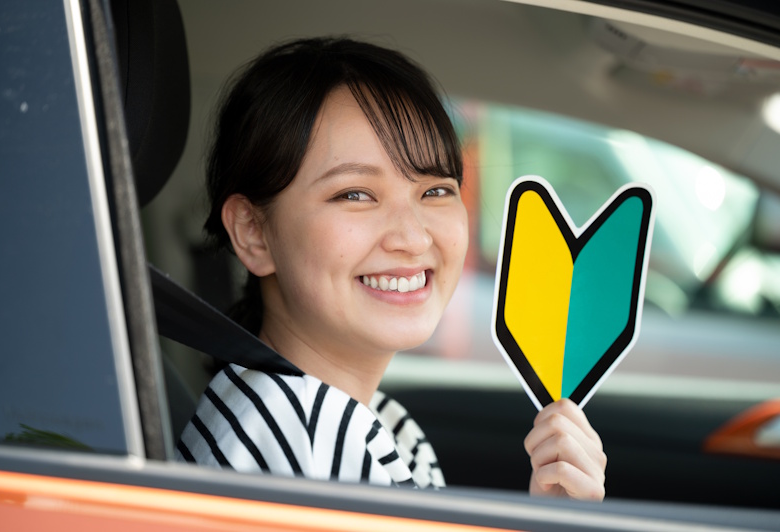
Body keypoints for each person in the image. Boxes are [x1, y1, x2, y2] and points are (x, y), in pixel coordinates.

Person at [176, 36, 606, 499]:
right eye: (354, 194)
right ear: (253, 232)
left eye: (435, 190)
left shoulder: (359, 421)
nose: (413, 237)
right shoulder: (306, 442)